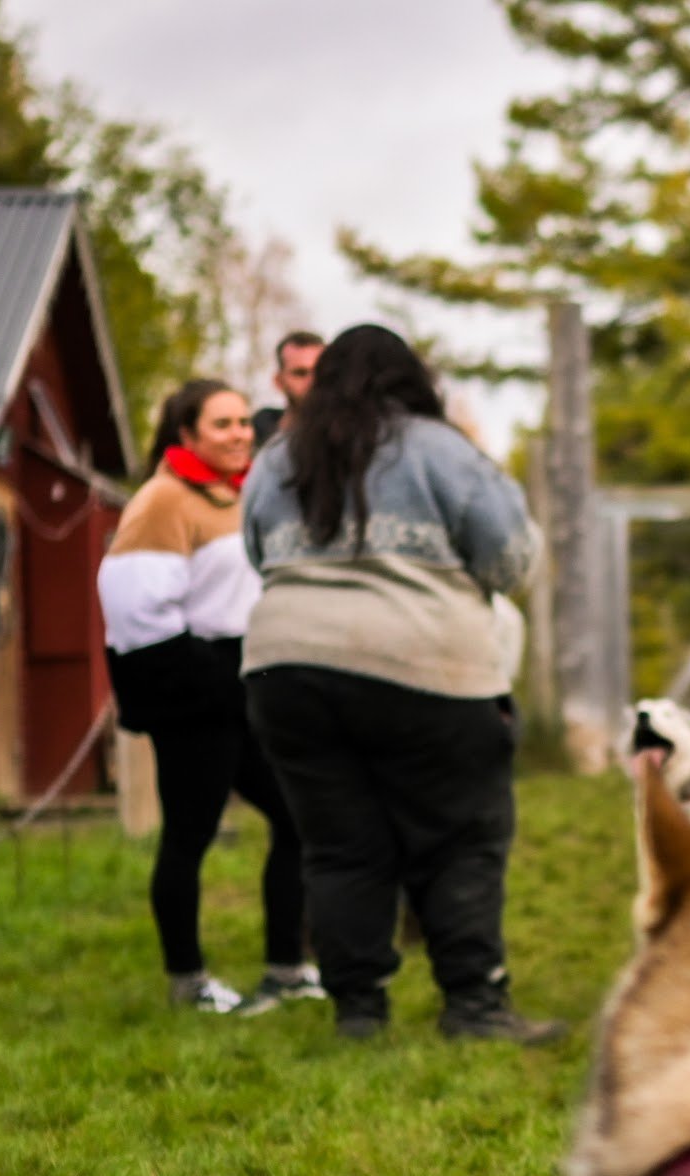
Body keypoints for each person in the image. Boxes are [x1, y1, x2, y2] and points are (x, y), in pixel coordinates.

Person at [239, 324, 563, 1044]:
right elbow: (512, 558)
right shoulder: (441, 449)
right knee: (461, 835)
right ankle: (474, 1006)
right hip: (425, 666)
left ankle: (358, 1010)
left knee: (339, 844)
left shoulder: (276, 458)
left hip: (288, 666)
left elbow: (257, 553)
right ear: (411, 379)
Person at [97, 379, 318, 1015]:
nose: (240, 433)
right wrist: (211, 680)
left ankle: (287, 968)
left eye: (245, 421)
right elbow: (134, 607)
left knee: (296, 819)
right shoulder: (163, 501)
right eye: (222, 423)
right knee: (189, 835)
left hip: (248, 681)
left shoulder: (246, 494)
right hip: (195, 690)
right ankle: (187, 981)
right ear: (185, 434)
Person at [250, 330, 323, 447]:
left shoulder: (348, 436)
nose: (312, 381)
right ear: (278, 381)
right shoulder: (253, 434)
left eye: (319, 371)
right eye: (300, 373)